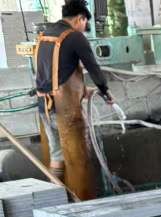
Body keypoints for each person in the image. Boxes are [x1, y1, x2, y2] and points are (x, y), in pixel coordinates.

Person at [35, 0, 114, 200]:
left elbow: (56, 73)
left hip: (44, 107)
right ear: (80, 18)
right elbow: (93, 67)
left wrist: (83, 90)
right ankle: (82, 206)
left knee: (57, 155)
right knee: (79, 160)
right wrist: (105, 91)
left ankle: (55, 201)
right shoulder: (75, 37)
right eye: (85, 22)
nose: (84, 27)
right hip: (65, 110)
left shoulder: (45, 35)